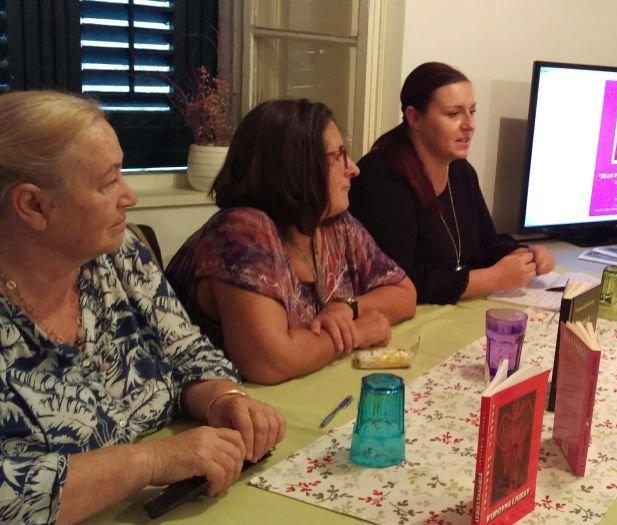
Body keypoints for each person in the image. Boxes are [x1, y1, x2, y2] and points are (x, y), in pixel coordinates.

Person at [0, 90, 286, 524]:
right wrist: (150, 462)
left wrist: (223, 399)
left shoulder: (118, 255)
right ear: (33, 205)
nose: (129, 197)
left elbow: (188, 352)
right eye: (108, 182)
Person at [166, 99, 416, 386]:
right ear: (296, 166)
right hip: (214, 405)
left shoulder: (333, 224)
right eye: (338, 156)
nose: (353, 169)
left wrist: (348, 308)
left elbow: (404, 294)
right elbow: (271, 362)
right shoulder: (243, 230)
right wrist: (358, 333)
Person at [349, 62, 554, 305]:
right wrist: (492, 279)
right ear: (414, 117)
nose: (470, 125)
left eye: (472, 111)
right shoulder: (382, 178)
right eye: (453, 114)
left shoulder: (460, 171)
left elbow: (486, 244)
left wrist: (524, 256)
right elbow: (399, 281)